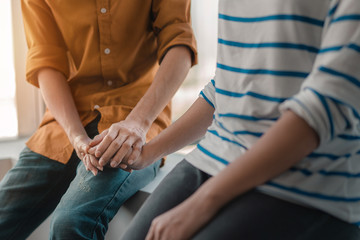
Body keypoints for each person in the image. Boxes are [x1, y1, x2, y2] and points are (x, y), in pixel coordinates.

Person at [121, 0, 360, 239]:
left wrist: (201, 205)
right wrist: (149, 152)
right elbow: (226, 88)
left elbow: (327, 104)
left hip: (305, 182)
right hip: (213, 158)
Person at [0, 0, 197, 239]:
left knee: (70, 223)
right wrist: (76, 136)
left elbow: (180, 45)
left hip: (134, 122)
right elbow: (46, 63)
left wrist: (137, 122)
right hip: (62, 126)